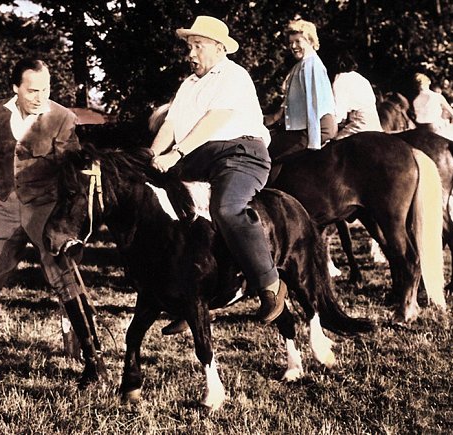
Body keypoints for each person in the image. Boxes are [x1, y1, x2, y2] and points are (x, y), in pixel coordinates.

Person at [0, 59, 106, 390]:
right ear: (15, 88)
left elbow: (72, 173)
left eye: (46, 89)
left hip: (45, 209)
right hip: (2, 208)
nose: (40, 97)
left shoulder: (62, 118)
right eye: (33, 90)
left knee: (66, 280)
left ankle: (95, 366)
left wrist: (69, 222)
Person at [150, 15, 287, 328]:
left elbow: (215, 119)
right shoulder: (189, 84)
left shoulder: (233, 76)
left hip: (240, 154)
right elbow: (170, 124)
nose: (190, 53)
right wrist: (151, 155)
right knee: (162, 212)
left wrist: (175, 154)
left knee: (227, 208)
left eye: (197, 46)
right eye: (189, 46)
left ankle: (270, 284)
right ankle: (192, 295)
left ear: (219, 48)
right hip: (198, 158)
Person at [265, 19, 337, 161]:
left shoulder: (311, 65)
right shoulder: (301, 64)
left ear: (310, 41)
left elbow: (313, 105)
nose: (293, 46)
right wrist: (275, 117)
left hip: (316, 127)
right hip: (306, 127)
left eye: (298, 41)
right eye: (291, 43)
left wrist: (313, 142)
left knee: (265, 155)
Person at [330, 52, 382, 139]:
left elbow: (338, 115)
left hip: (359, 127)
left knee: (331, 145)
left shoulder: (340, 80)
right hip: (375, 125)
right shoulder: (362, 78)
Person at [412, 73, 453, 141]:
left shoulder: (415, 101)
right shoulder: (437, 96)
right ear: (429, 82)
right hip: (435, 129)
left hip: (420, 130)